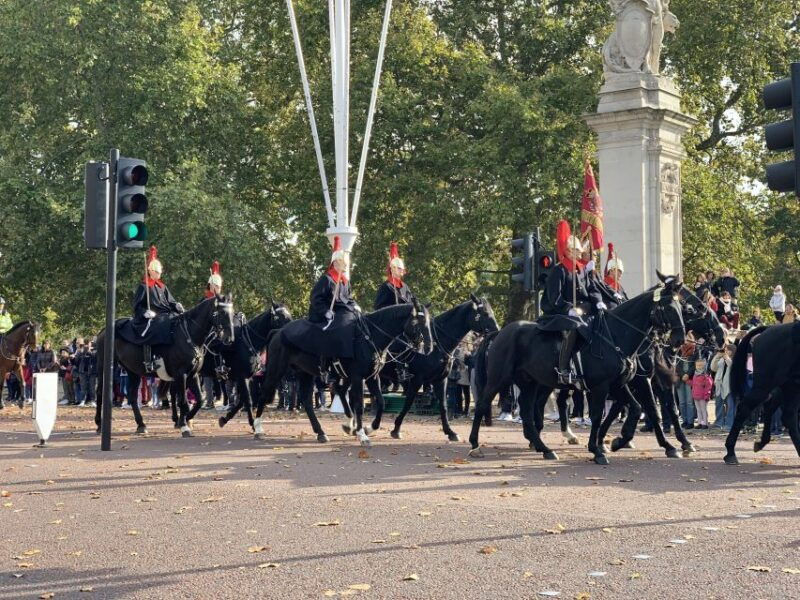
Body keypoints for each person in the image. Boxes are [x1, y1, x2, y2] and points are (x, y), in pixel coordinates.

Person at [538, 221, 605, 388]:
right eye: (575, 250)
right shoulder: (558, 270)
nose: (578, 253)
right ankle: (563, 368)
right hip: (560, 312)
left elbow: (591, 289)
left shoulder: (581, 270)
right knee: (574, 326)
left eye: (579, 251)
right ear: (567, 251)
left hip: (583, 310)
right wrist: (568, 309)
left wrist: (598, 302)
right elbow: (554, 298)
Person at [129, 245, 184, 372]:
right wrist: (145, 312)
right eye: (157, 272)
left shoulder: (162, 286)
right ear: (151, 271)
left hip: (167, 314)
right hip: (153, 316)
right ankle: (150, 359)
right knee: (158, 325)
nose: (159, 274)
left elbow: (170, 302)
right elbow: (136, 306)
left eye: (160, 272)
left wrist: (176, 305)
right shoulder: (144, 286)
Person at [374, 242, 416, 310]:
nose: (402, 270)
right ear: (393, 269)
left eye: (402, 269)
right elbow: (378, 307)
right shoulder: (386, 286)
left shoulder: (405, 287)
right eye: (399, 268)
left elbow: (411, 303)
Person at [676, 334, 697, 429]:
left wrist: (688, 374)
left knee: (689, 401)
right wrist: (682, 375)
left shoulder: (695, 351)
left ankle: (690, 421)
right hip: (680, 379)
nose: (686, 341)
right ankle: (684, 420)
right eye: (685, 339)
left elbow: (695, 365)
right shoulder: (678, 351)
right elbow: (676, 365)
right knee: (682, 402)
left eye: (689, 339)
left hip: (690, 379)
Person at [710, 345, 733, 429]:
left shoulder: (734, 359)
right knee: (718, 404)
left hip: (729, 386)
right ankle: (719, 423)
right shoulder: (721, 359)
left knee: (730, 405)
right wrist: (717, 356)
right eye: (725, 350)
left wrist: (726, 357)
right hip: (720, 384)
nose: (726, 352)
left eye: (728, 350)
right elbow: (713, 368)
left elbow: (731, 365)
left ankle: (729, 424)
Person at [689, 359, 713, 429]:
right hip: (696, 395)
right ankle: (700, 423)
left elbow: (709, 386)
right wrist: (688, 381)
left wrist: (707, 395)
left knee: (703, 410)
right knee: (698, 410)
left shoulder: (705, 375)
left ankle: (705, 423)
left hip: (703, 396)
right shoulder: (695, 375)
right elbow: (693, 384)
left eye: (701, 365)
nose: (699, 367)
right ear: (695, 366)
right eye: (698, 365)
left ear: (704, 366)